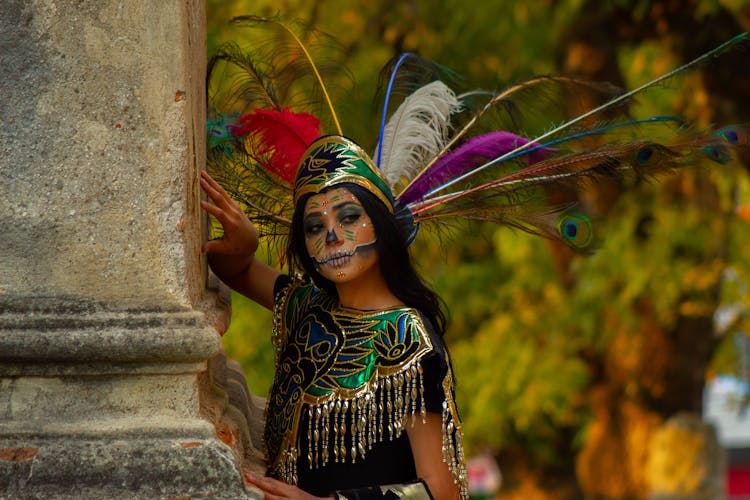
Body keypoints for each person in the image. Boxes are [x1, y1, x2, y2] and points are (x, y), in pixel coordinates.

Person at [201, 135, 468, 499]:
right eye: (314, 226)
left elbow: (442, 491)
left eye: (349, 217)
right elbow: (231, 265)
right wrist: (247, 241)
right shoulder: (305, 306)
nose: (331, 236)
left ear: (381, 223)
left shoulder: (409, 338)